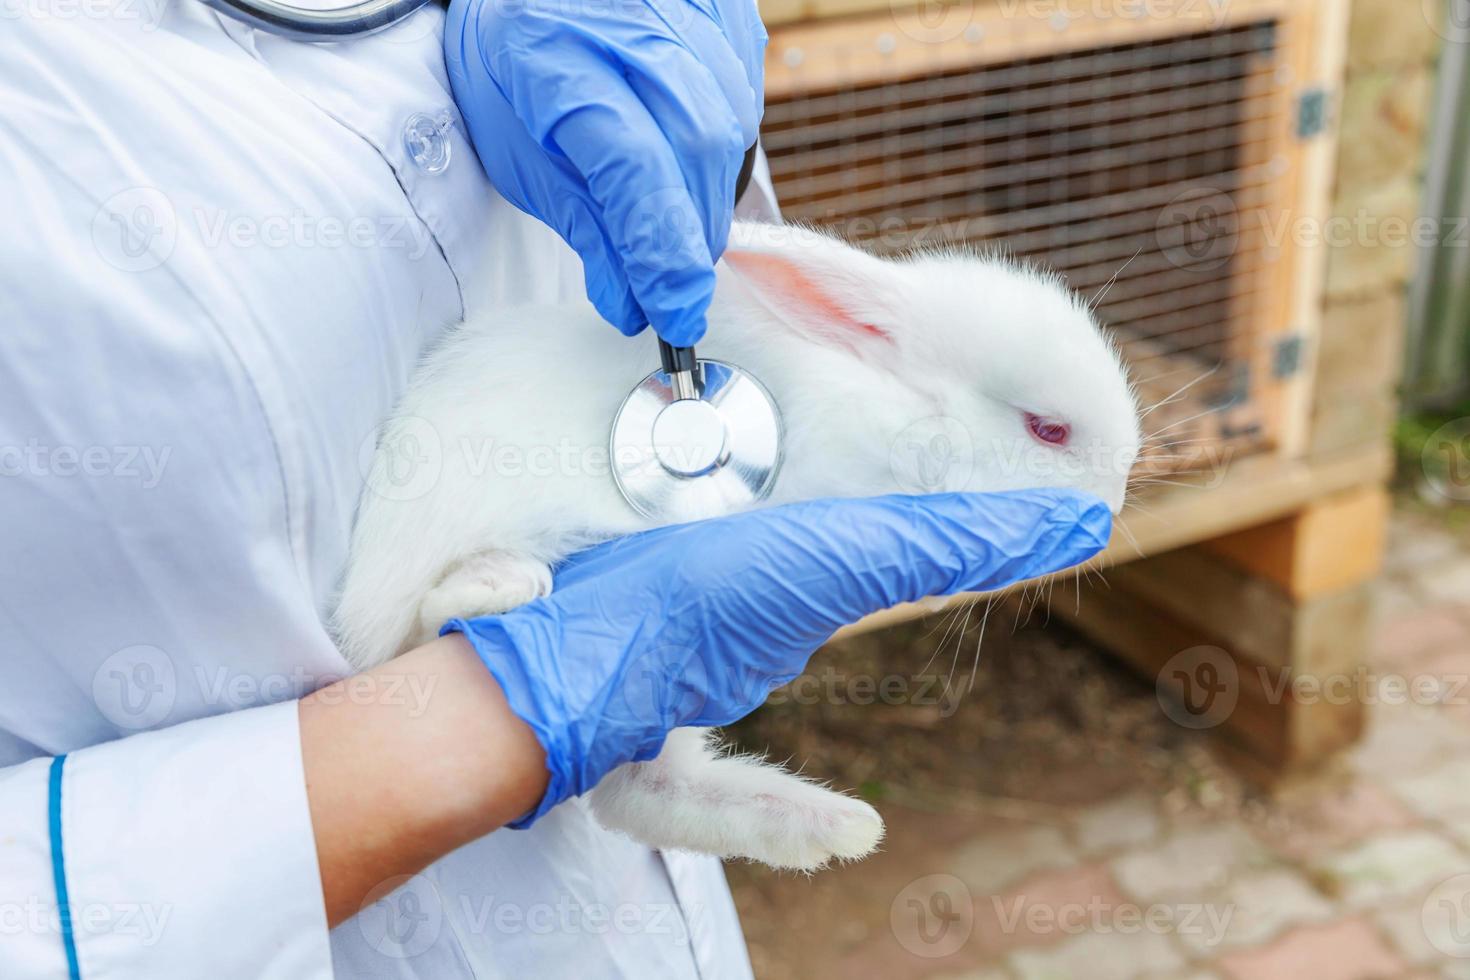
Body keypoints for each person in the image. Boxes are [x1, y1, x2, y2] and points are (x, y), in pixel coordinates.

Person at [0, 0, 1113, 976]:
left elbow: (717, 263)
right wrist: (485, 724)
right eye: (1051, 432)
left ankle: (651, 768)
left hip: (611, 902)